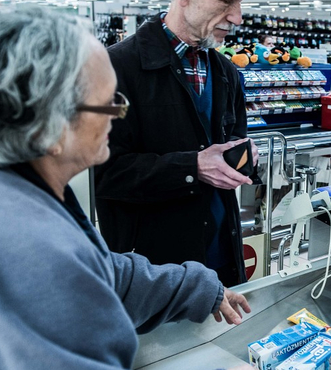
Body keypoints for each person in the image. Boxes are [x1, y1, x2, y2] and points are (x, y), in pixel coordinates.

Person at [0, 9, 250, 369]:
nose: (118, 114)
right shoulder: (21, 243)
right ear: (47, 123)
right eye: (108, 102)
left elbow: (94, 269)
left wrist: (193, 287)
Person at [95, 0, 258, 287]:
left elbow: (234, 136)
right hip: (153, 271)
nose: (237, 17)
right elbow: (103, 173)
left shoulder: (225, 72)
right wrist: (191, 166)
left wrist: (243, 155)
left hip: (221, 254)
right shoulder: (113, 68)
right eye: (226, 2)